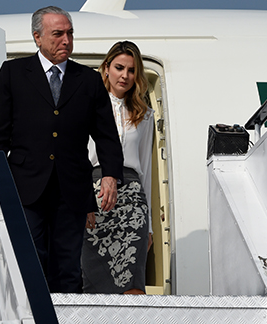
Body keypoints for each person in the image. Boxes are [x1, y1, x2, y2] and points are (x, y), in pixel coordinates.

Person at [0, 6, 124, 293]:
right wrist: (0, 181)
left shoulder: (88, 79)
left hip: (71, 188)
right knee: (31, 260)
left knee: (67, 265)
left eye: (70, 34)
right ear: (37, 37)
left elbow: (107, 136)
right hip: (25, 185)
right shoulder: (13, 73)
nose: (66, 41)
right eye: (57, 34)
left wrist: (110, 174)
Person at [82, 41, 154, 295]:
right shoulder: (86, 107)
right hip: (95, 195)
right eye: (119, 67)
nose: (125, 75)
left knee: (132, 283)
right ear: (106, 69)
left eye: (131, 70)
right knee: (90, 280)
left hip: (133, 202)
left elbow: (145, 168)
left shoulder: (145, 115)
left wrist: (150, 227)